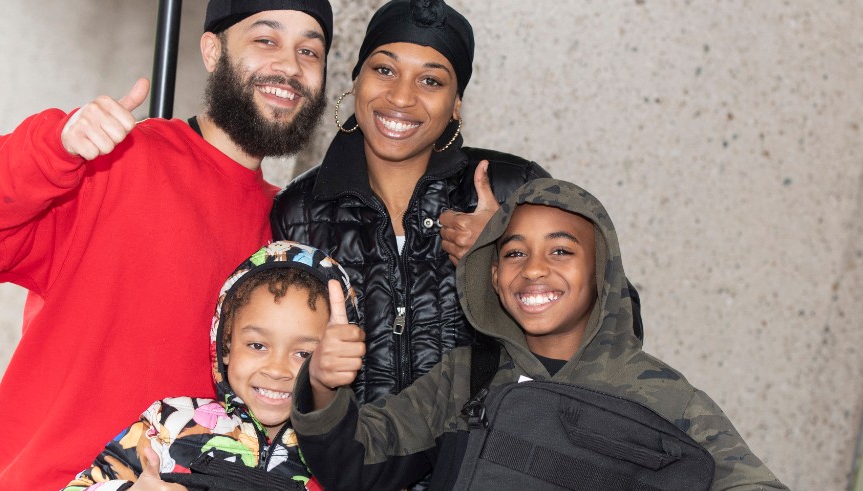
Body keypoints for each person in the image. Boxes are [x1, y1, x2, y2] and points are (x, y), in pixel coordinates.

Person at [0, 2, 334, 488]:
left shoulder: (289, 230)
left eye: (309, 51)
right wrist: (57, 143)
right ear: (212, 51)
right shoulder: (116, 160)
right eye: (266, 40)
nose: (290, 65)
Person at [291, 178, 788, 490]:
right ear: (492, 275)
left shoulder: (666, 398)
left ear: (603, 274)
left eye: (561, 252)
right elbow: (358, 463)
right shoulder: (466, 378)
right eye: (514, 252)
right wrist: (320, 383)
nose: (533, 270)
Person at [271, 0, 552, 406]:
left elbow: (614, 323)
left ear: (456, 104)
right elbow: (272, 367)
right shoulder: (298, 212)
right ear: (356, 80)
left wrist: (505, 259)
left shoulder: (515, 188)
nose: (401, 97)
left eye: (431, 81)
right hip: (354, 464)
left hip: (490, 464)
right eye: (384, 70)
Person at [62, 241, 358, 491]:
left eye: (304, 354)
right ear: (226, 345)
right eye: (257, 345)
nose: (277, 369)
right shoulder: (170, 423)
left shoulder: (350, 454)